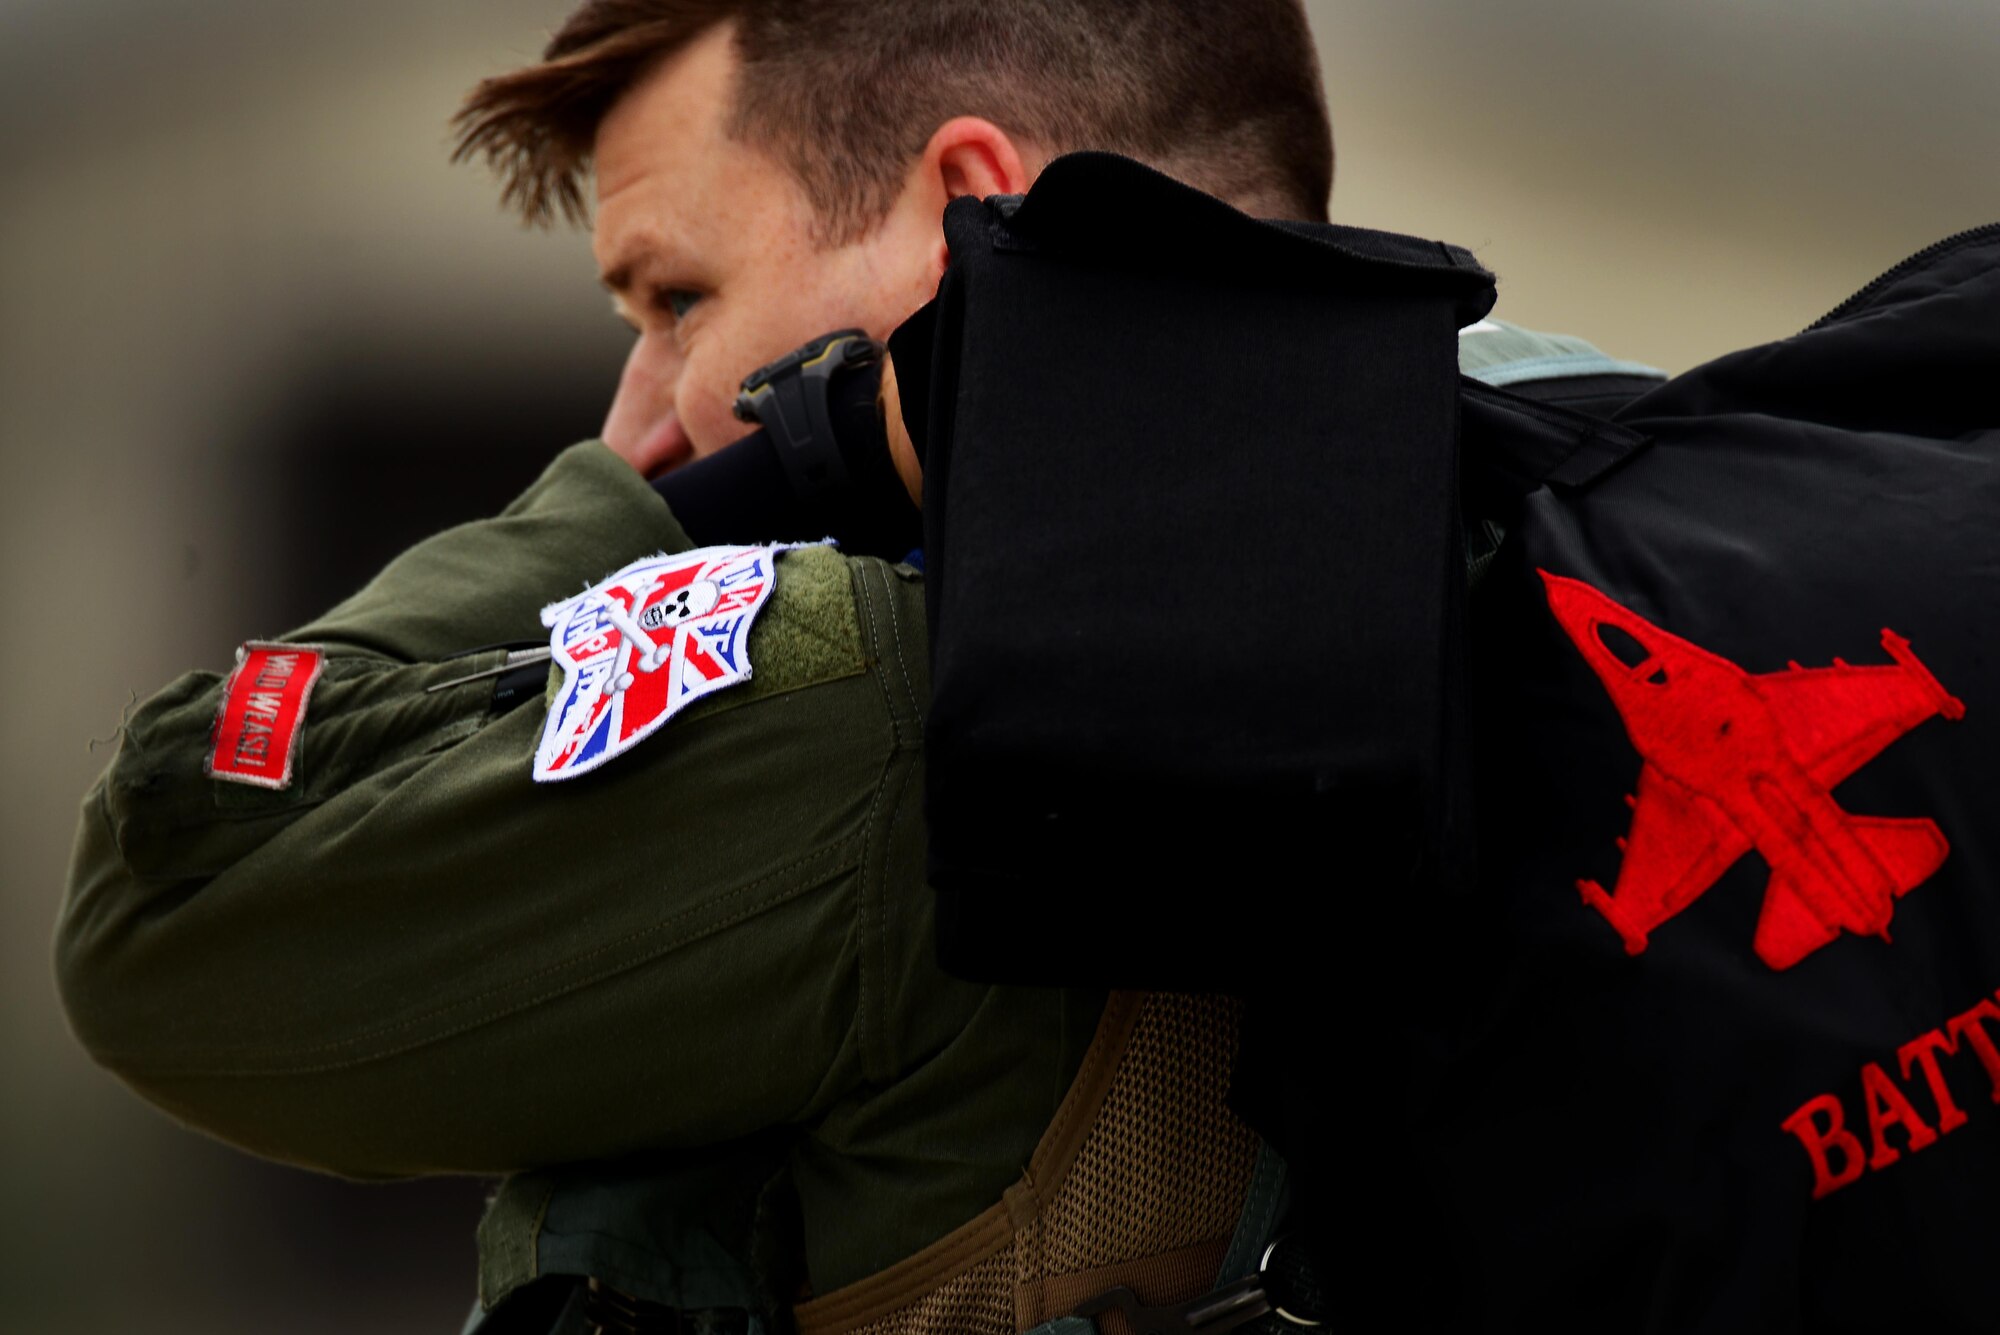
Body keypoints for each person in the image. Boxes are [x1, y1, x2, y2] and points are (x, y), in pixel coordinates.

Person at [54, 3, 1658, 1331]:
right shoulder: (1638, 517)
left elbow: (164, 901)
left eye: (679, 299)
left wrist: (655, 505)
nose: (647, 407)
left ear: (972, 216)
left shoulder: (883, 691)